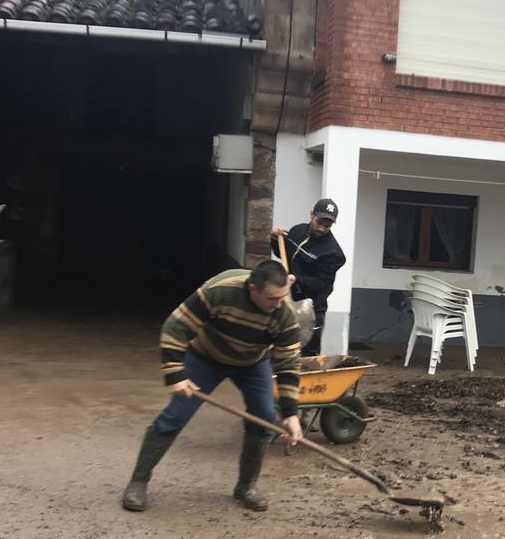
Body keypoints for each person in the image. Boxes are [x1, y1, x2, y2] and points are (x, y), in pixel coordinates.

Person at [121, 260, 304, 513]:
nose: (278, 304)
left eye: (282, 297)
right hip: (206, 357)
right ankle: (138, 482)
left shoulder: (284, 314)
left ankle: (246, 486)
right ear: (252, 288)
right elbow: (176, 327)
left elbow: (287, 365)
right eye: (272, 298)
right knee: (176, 415)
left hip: (252, 363)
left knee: (263, 417)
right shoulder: (220, 289)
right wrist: (175, 375)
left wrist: (291, 414)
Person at [270, 198, 347, 355]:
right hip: (288, 303)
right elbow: (282, 252)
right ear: (312, 214)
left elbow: (322, 284)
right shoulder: (297, 231)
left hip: (311, 310)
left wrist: (296, 279)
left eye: (327, 225)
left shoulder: (333, 253)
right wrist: (275, 239)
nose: (322, 228)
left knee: (307, 357)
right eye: (319, 222)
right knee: (283, 351)